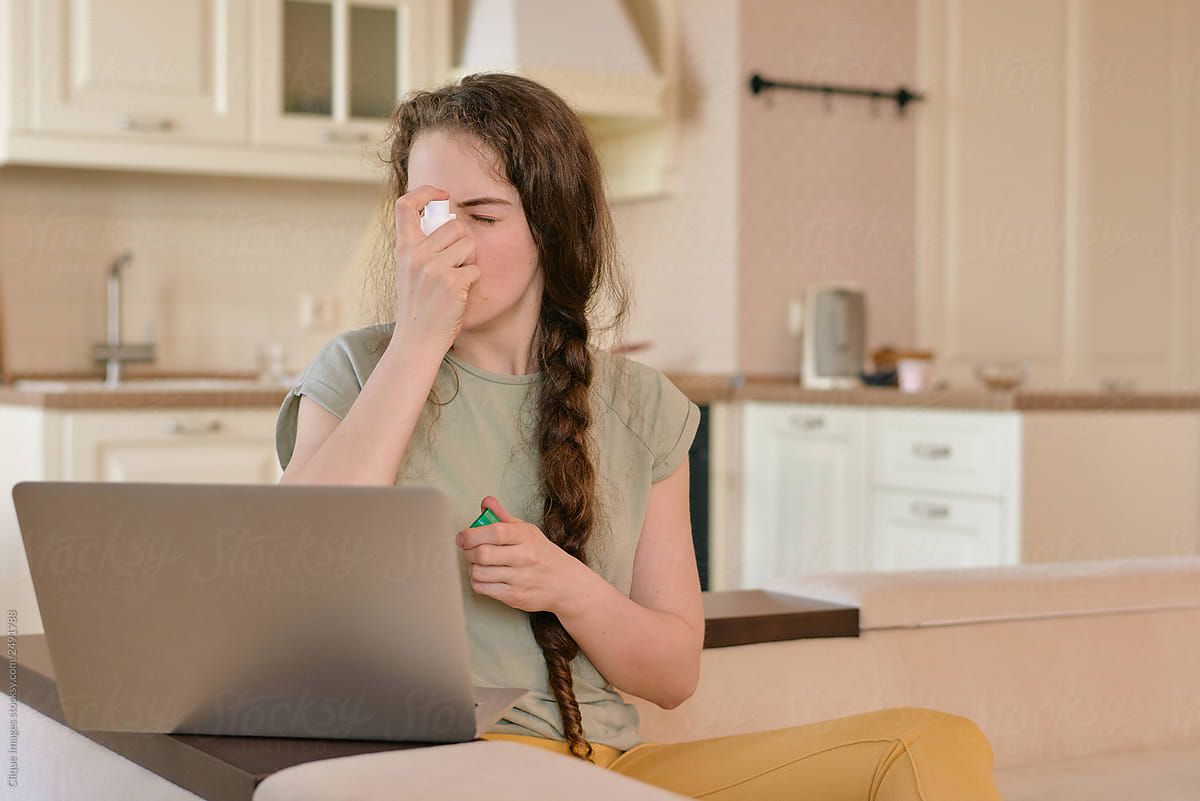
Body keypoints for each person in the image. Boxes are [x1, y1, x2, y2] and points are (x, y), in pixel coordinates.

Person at [274, 71, 1003, 800]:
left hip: (612, 771)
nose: (448, 245)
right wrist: (419, 338)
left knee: (934, 743)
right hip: (446, 765)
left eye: (482, 216)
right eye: (429, 216)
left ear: (551, 231)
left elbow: (672, 672)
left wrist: (566, 585)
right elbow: (299, 567)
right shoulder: (360, 369)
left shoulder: (642, 405)